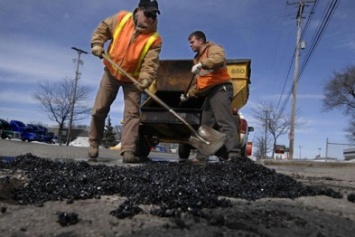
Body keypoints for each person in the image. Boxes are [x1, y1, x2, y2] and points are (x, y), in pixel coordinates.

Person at [88, 0, 162, 163]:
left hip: (133, 81)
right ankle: (93, 143)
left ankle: (128, 150)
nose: (150, 18)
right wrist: (97, 44)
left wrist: (145, 80)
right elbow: (103, 28)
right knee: (99, 109)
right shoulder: (121, 18)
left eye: (154, 15)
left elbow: (150, 64)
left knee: (132, 114)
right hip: (111, 73)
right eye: (148, 14)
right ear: (139, 10)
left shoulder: (155, 39)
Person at [181, 30, 241, 162]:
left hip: (221, 89)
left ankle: (234, 155)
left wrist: (202, 64)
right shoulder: (197, 59)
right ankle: (202, 156)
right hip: (210, 93)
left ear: (201, 41)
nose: (190, 45)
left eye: (192, 42)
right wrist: (188, 95)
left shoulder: (213, 49)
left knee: (224, 121)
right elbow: (200, 83)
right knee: (205, 126)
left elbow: (219, 59)